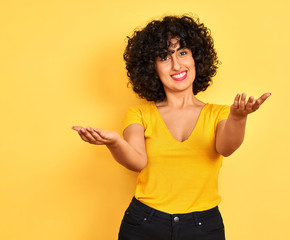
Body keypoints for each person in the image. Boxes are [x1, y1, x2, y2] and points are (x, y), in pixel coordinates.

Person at [72, 15, 271, 240]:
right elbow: (137, 161)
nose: (177, 64)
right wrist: (115, 143)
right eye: (164, 57)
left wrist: (238, 117)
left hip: (203, 227)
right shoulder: (139, 114)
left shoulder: (219, 113)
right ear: (152, 67)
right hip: (144, 224)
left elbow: (226, 147)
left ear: (196, 57)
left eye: (183, 52)